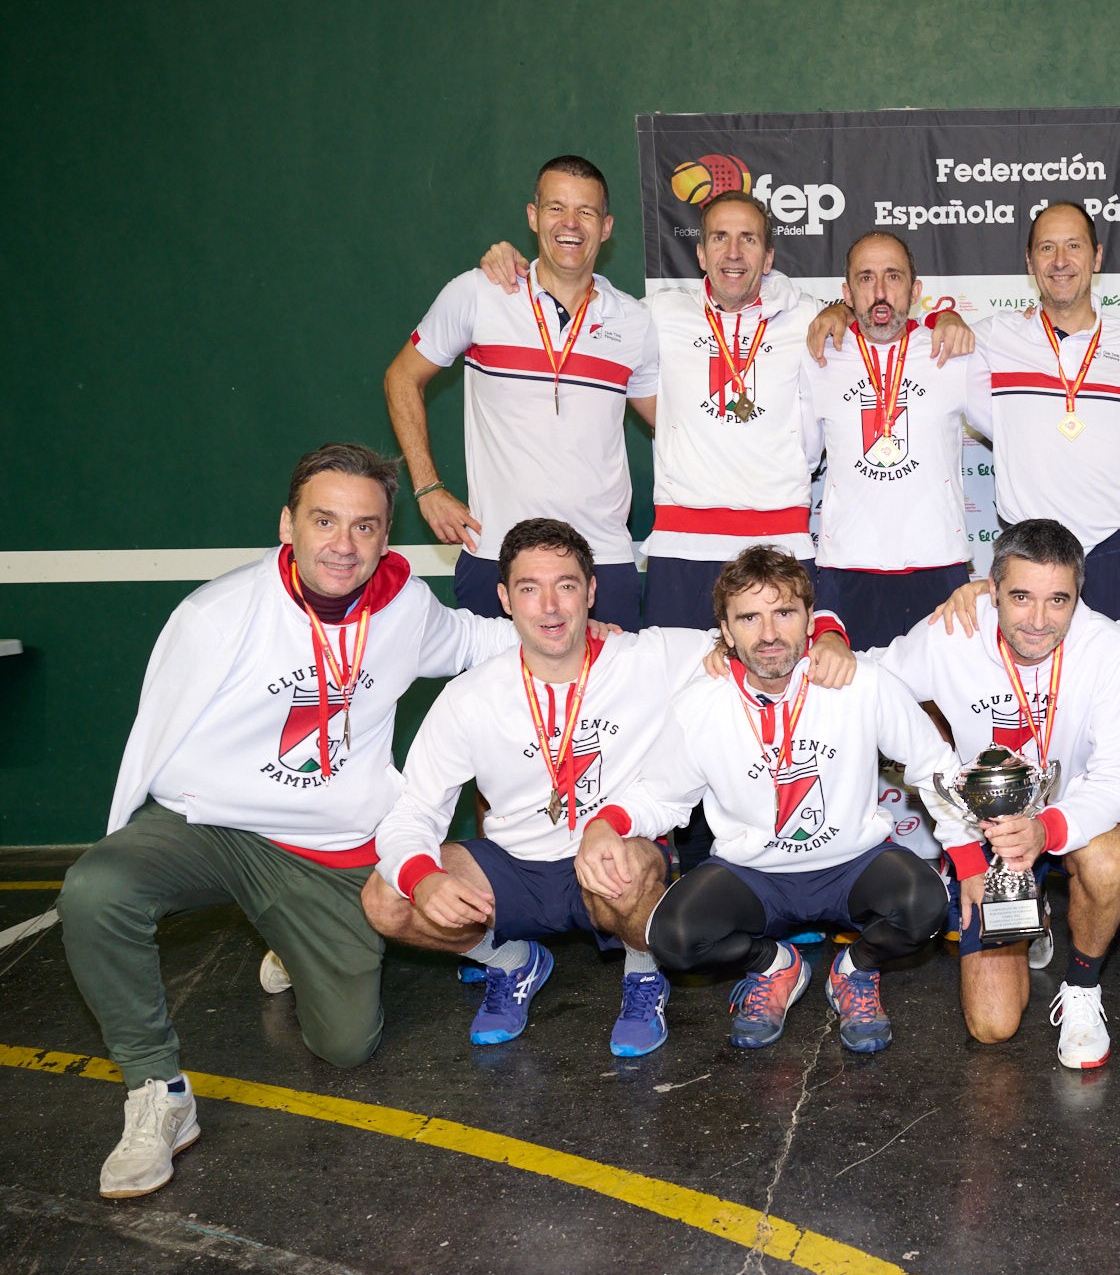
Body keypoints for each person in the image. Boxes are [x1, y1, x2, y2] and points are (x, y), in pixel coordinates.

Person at [59, 444, 515, 1199]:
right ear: (287, 524)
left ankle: (287, 936)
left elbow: (476, 641)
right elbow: (150, 736)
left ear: (385, 537)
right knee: (95, 890)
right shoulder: (216, 614)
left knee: (346, 1046)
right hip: (210, 827)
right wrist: (117, 845)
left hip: (324, 849)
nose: (344, 543)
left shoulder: (404, 607)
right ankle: (158, 1094)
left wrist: (594, 639)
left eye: (365, 526)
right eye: (325, 521)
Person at [477, 192, 974, 629]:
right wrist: (514, 262)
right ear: (699, 252)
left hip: (782, 546)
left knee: (787, 701)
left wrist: (937, 316)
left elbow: (877, 314)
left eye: (748, 240)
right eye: (719, 238)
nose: (733, 253)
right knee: (680, 704)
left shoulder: (808, 317)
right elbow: (581, 297)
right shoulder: (658, 314)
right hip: (682, 550)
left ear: (770, 255)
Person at [362, 519, 700, 1058]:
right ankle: (510, 961)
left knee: (632, 868)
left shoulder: (650, 658)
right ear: (504, 598)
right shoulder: (470, 696)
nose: (550, 606)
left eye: (566, 585)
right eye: (528, 588)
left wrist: (827, 634)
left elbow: (753, 640)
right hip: (514, 864)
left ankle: (643, 974)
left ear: (591, 591)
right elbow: (414, 810)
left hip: (610, 852)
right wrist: (422, 878)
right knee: (387, 899)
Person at [644, 547, 958, 1054]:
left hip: (852, 864)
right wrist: (609, 824)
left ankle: (854, 970)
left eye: (784, 613)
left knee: (926, 907)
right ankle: (775, 965)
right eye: (749, 617)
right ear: (725, 632)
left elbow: (934, 765)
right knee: (674, 940)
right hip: (755, 875)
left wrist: (967, 856)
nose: (768, 634)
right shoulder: (700, 704)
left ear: (811, 620)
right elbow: (659, 797)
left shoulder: (860, 683)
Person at [870, 519, 1120, 1067]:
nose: (1039, 621)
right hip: (989, 834)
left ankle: (1083, 991)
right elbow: (872, 684)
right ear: (991, 589)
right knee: (992, 1025)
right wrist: (828, 633)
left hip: (1070, 822)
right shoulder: (953, 632)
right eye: (1020, 597)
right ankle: (1032, 906)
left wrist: (1046, 830)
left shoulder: (1111, 650)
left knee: (1111, 856)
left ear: (1078, 596)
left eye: (1058, 601)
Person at [387, 156, 657, 628]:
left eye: (586, 212)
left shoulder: (635, 321)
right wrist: (427, 487)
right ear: (533, 217)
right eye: (556, 208)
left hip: (604, 558)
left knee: (610, 702)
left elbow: (673, 422)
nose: (570, 224)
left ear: (607, 227)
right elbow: (401, 377)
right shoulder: (478, 294)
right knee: (498, 700)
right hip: (497, 554)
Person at [951, 202, 1120, 621]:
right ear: (1029, 261)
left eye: (1073, 246)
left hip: (1114, 550)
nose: (1060, 262)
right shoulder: (992, 337)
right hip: (1028, 556)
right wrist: (945, 315)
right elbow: (908, 345)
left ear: (1097, 256)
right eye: (1046, 248)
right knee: (1031, 683)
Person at [797, 232, 993, 649]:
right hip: (847, 571)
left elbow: (1019, 433)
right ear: (846, 293)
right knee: (849, 706)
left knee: (940, 711)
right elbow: (799, 459)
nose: (881, 292)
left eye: (893, 277)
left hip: (938, 568)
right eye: (866, 279)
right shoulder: (819, 358)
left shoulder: (953, 352)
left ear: (915, 290)